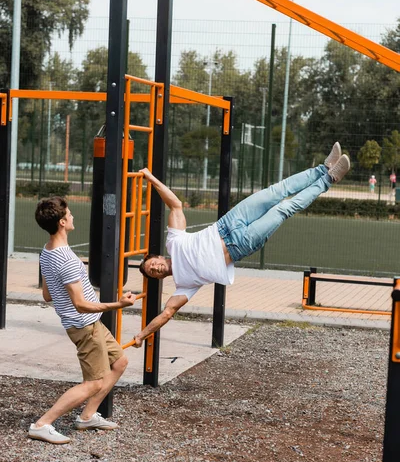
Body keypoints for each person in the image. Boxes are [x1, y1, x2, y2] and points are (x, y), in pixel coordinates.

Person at [133, 142, 350, 348]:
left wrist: (150, 177)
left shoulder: (173, 241)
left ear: (158, 257)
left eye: (152, 264)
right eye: (153, 273)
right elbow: (167, 313)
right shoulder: (184, 285)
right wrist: (142, 335)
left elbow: (175, 205)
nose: (155, 269)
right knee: (284, 209)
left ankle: (323, 168)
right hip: (241, 244)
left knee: (277, 191)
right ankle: (328, 179)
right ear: (160, 277)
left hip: (228, 223)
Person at [30, 197, 136, 444]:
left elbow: (47, 295)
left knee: (119, 362)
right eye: (69, 214)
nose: (73, 216)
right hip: (85, 326)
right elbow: (80, 304)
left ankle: (87, 416)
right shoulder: (65, 259)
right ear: (62, 222)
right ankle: (42, 424)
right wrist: (119, 304)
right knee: (93, 383)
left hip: (91, 324)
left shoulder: (47, 251)